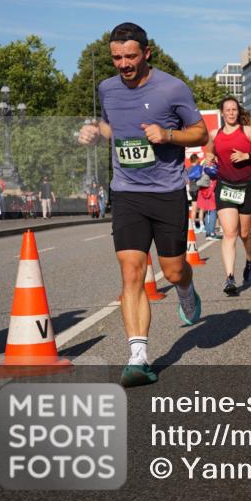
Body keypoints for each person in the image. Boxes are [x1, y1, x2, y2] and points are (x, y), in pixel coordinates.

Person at [77, 21, 207, 388]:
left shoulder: (172, 88)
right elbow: (112, 128)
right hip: (127, 192)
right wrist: (93, 131)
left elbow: (200, 132)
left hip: (166, 193)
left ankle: (185, 290)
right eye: (116, 57)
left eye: (130, 56)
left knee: (174, 268)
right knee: (131, 272)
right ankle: (138, 356)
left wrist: (168, 135)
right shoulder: (107, 89)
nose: (123, 64)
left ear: (147, 53)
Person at [202, 96, 251, 297]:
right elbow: (208, 151)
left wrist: (247, 156)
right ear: (222, 113)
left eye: (234, 109)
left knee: (244, 234)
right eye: (227, 110)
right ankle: (229, 277)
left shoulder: (247, 131)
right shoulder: (215, 134)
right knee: (229, 233)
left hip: (247, 187)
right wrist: (209, 157)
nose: (231, 113)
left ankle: (250, 258)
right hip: (225, 187)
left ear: (238, 112)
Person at [197, 167, 219, 240]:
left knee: (207, 214)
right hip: (211, 197)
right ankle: (211, 233)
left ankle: (208, 233)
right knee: (213, 214)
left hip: (203, 196)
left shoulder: (204, 177)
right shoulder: (214, 179)